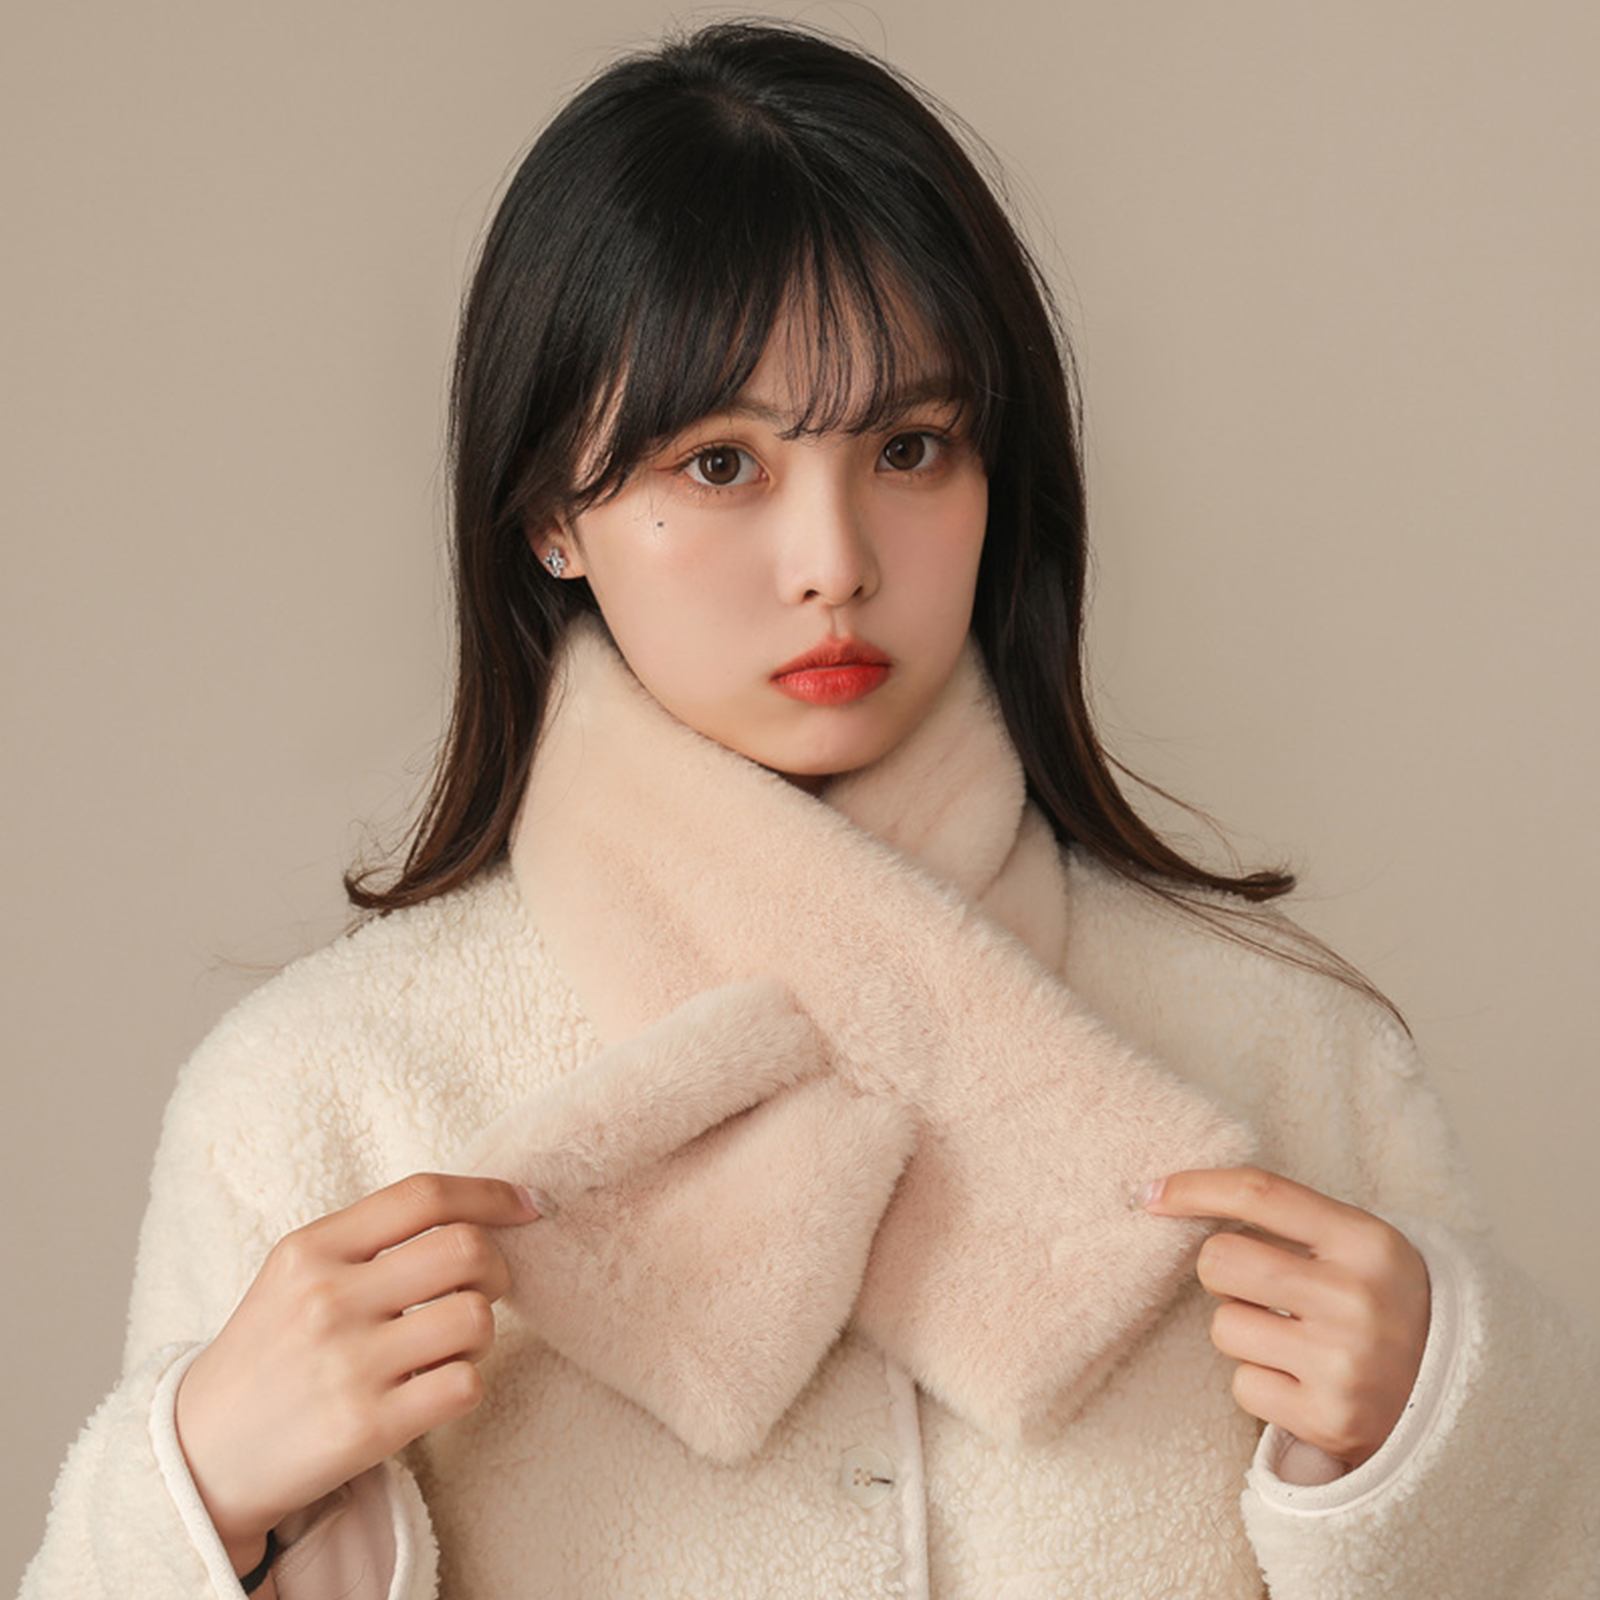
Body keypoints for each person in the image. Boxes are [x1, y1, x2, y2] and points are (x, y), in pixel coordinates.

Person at [20, 21, 1597, 1600]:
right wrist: (201, 1502)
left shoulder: (1291, 1061)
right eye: (720, 464)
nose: (836, 560)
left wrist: (1439, 1447)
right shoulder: (320, 1100)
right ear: (552, 514)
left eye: (911, 448)